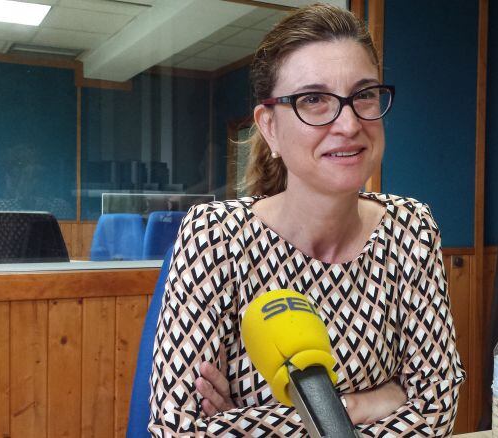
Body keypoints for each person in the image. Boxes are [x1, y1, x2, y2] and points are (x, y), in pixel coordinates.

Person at [148, 4, 465, 436]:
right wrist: (376, 401)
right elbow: (177, 429)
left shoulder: (411, 228)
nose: (349, 123)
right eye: (313, 100)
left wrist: (237, 420)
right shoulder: (214, 236)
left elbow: (438, 406)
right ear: (270, 128)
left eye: (364, 94)